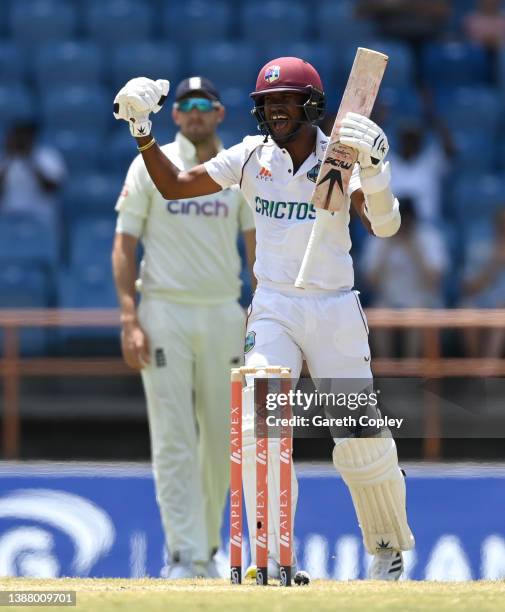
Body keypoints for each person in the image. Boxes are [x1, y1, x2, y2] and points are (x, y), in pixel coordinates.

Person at [113, 57, 415, 580]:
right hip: (274, 305)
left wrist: (376, 171)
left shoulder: (339, 158)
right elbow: (177, 185)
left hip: (335, 308)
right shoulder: (252, 157)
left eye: (286, 102)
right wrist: (143, 132)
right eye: (268, 103)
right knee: (261, 427)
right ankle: (273, 558)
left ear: (312, 106)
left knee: (360, 436)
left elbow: (384, 227)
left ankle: (387, 550)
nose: (275, 111)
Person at [112, 76, 256, 579]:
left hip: (222, 311)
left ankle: (208, 552)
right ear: (174, 115)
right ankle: (182, 554)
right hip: (165, 311)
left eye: (204, 104)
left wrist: (261, 315)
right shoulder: (149, 164)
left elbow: (256, 249)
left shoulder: (237, 167)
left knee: (222, 438)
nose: (194, 112)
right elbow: (125, 244)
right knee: (173, 437)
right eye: (186, 105)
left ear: (219, 113)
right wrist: (130, 317)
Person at [362, 197, 448, 356]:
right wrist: (387, 248)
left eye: (406, 223)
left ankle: (410, 375)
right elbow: (370, 283)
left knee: (415, 316)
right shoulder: (379, 237)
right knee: (379, 315)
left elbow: (434, 283)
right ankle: (387, 376)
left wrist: (414, 250)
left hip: (421, 300)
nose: (402, 228)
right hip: (387, 300)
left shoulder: (429, 237)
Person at [0, 120, 66, 230]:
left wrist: (30, 161)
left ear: (32, 139)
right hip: (8, 217)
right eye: (16, 138)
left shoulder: (48, 157)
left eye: (23, 139)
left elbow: (50, 189)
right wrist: (9, 160)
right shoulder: (4, 160)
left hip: (41, 218)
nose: (19, 142)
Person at [460, 207, 505, 357]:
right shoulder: (480, 248)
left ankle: (487, 372)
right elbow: (469, 288)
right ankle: (476, 367)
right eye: (501, 225)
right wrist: (494, 264)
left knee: (500, 311)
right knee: (467, 309)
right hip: (483, 302)